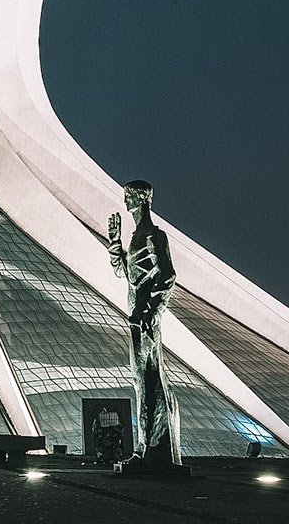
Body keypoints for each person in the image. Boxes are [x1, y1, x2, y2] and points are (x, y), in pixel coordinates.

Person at [107, 179, 182, 468]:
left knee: (148, 378)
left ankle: (150, 449)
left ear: (141, 199)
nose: (125, 202)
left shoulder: (154, 236)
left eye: (128, 197)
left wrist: (151, 311)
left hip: (145, 320)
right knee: (141, 380)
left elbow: (167, 276)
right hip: (136, 317)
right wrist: (115, 244)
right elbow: (124, 274)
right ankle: (147, 447)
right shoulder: (136, 237)